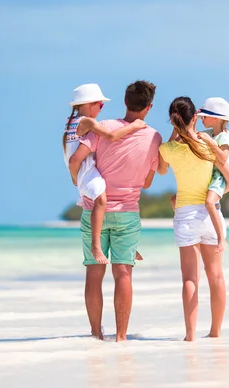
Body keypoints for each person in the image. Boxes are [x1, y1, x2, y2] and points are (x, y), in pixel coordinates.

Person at [69, 80, 162, 341]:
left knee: (94, 273)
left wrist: (78, 183)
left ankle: (96, 334)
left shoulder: (103, 127)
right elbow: (147, 182)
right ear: (149, 107)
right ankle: (121, 337)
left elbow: (77, 160)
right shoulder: (154, 136)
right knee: (123, 273)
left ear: (125, 102)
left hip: (94, 209)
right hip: (128, 213)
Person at [157, 96, 229, 341]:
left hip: (185, 215)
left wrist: (173, 135)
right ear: (195, 118)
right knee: (217, 277)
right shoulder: (208, 145)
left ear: (173, 121)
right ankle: (215, 332)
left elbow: (161, 171)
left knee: (190, 279)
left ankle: (190, 335)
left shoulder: (167, 148)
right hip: (210, 214)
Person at [63, 83, 146, 264]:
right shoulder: (87, 122)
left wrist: (74, 176)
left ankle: (126, 245)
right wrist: (134, 126)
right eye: (100, 105)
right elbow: (111, 136)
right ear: (90, 104)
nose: (101, 110)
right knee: (102, 200)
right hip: (84, 170)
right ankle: (96, 245)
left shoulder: (71, 121)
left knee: (107, 190)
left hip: (83, 170)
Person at [170, 97, 229, 254]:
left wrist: (211, 143)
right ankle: (186, 222)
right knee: (174, 199)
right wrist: (186, 123)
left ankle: (221, 239)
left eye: (204, 117)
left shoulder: (225, 136)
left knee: (209, 202)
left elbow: (223, 159)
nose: (201, 120)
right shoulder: (209, 133)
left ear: (215, 118)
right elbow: (187, 137)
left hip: (220, 175)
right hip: (210, 173)